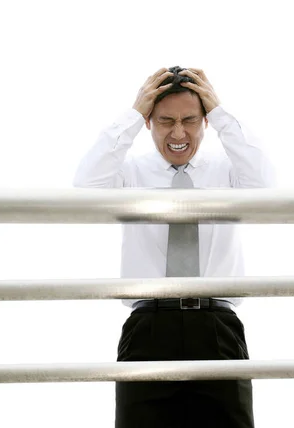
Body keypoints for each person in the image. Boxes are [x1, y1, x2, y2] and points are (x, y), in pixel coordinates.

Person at [73, 66, 275, 428]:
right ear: (150, 122)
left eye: (190, 120)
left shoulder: (228, 173)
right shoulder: (131, 173)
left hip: (217, 325)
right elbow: (86, 186)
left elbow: (266, 185)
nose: (178, 133)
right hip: (148, 325)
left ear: (205, 122)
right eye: (165, 120)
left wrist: (220, 111)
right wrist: (134, 113)